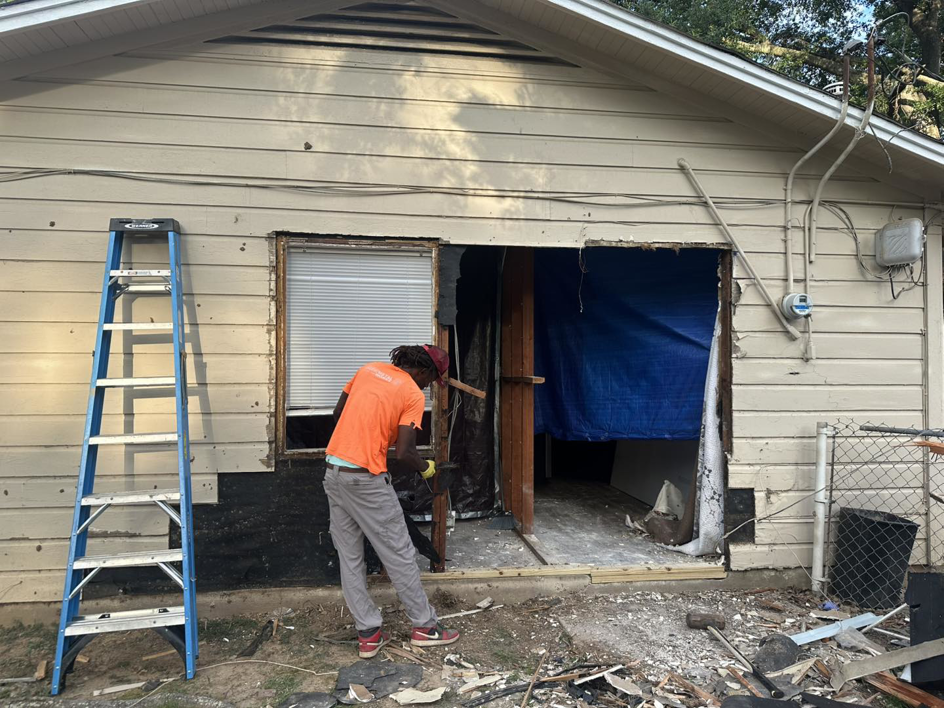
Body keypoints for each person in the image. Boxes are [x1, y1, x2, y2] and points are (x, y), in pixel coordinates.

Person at [323, 344, 460, 659]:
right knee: (400, 553)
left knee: (350, 557)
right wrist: (426, 468)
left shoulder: (367, 370)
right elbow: (405, 453)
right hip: (366, 480)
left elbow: (338, 415)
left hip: (334, 473)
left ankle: (368, 634)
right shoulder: (411, 394)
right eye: (430, 380)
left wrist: (368, 437)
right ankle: (425, 627)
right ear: (422, 371)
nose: (426, 387)